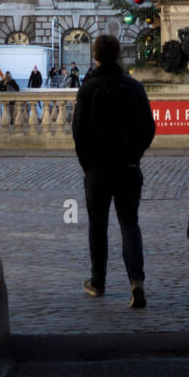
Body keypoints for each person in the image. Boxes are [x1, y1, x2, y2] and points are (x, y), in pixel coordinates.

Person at [72, 33, 156, 307]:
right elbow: (148, 128)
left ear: (95, 56)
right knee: (129, 224)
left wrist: (88, 165)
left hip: (98, 168)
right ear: (119, 55)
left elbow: (79, 133)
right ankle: (136, 281)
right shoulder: (133, 86)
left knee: (98, 225)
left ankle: (98, 281)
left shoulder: (88, 88)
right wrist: (135, 155)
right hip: (128, 166)